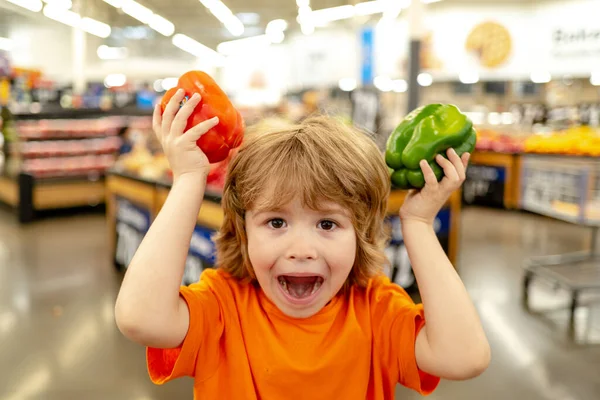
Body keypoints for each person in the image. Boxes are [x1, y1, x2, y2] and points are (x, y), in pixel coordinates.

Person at [115, 89, 490, 399]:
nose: (301, 248)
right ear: (244, 233)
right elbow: (139, 316)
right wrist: (188, 180)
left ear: (359, 237)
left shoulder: (375, 311)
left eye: (327, 223)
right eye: (276, 222)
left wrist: (419, 223)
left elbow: (464, 357)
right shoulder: (222, 308)